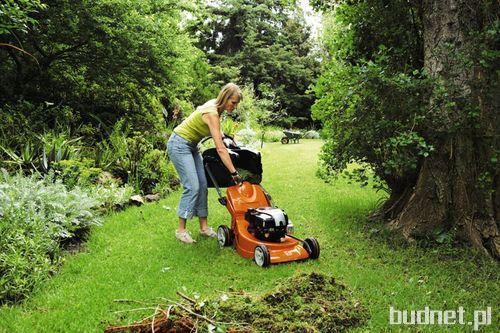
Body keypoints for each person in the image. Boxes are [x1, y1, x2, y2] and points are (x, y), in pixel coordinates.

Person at [167, 83, 243, 243]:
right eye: (233, 102)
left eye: (236, 103)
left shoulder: (215, 107)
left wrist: (228, 137)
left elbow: (217, 132)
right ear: (225, 97)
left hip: (192, 145)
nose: (234, 107)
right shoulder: (212, 112)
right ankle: (181, 230)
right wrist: (234, 172)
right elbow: (220, 149)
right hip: (179, 144)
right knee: (192, 186)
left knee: (202, 185)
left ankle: (204, 227)